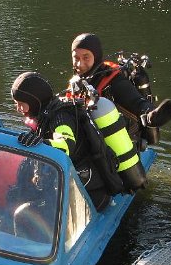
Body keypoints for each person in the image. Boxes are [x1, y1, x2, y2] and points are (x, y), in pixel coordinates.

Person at [10, 72, 110, 211]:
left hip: (88, 194)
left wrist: (42, 143)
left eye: (21, 104)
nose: (18, 108)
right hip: (65, 184)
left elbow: (65, 145)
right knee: (13, 196)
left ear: (34, 102)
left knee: (23, 213)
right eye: (16, 103)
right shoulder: (44, 115)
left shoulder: (61, 117)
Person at [70, 33, 171, 148]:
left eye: (86, 57)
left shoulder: (115, 82)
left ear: (96, 57)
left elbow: (137, 102)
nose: (80, 64)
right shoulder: (79, 80)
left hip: (119, 144)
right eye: (76, 58)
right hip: (91, 138)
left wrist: (151, 116)